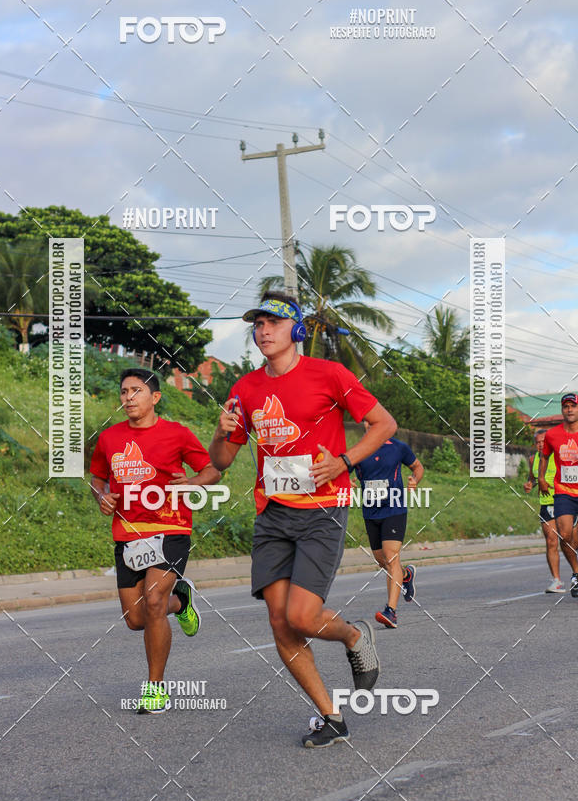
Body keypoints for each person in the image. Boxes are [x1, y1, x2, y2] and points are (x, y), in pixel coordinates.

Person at [208, 291, 397, 748]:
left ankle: (353, 635)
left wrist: (344, 462)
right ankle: (330, 716)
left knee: (302, 616)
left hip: (321, 512)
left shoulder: (329, 374)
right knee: (279, 622)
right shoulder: (245, 389)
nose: (262, 331)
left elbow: (384, 424)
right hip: (272, 515)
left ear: (295, 329)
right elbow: (223, 459)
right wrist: (220, 433)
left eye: (272, 322)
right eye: (257, 324)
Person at [90, 368, 220, 714]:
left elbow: (212, 470)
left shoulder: (176, 434)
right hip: (128, 535)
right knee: (136, 619)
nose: (128, 397)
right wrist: (101, 496)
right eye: (124, 391)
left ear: (155, 398)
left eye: (136, 391)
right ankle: (182, 600)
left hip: (171, 529)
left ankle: (155, 689)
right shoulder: (109, 438)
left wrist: (191, 483)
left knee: (153, 601)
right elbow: (97, 477)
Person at [354, 427, 424, 628]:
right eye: (366, 422)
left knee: (390, 555)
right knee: (381, 559)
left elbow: (418, 467)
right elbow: (345, 472)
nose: (369, 425)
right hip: (371, 511)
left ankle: (391, 612)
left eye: (373, 421)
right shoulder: (359, 450)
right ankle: (405, 575)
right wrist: (348, 482)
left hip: (394, 509)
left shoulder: (398, 447)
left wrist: (414, 479)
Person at [539, 393, 578, 597]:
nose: (569, 409)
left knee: (576, 540)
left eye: (573, 406)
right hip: (563, 491)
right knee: (565, 535)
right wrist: (541, 478)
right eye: (566, 406)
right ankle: (576, 574)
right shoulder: (553, 435)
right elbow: (544, 457)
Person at [524, 429, 563, 593]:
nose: (540, 445)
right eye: (538, 442)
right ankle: (556, 581)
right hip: (547, 503)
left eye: (543, 441)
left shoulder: (559, 455)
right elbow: (532, 478)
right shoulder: (533, 459)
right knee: (551, 541)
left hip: (565, 500)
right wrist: (529, 484)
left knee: (571, 541)